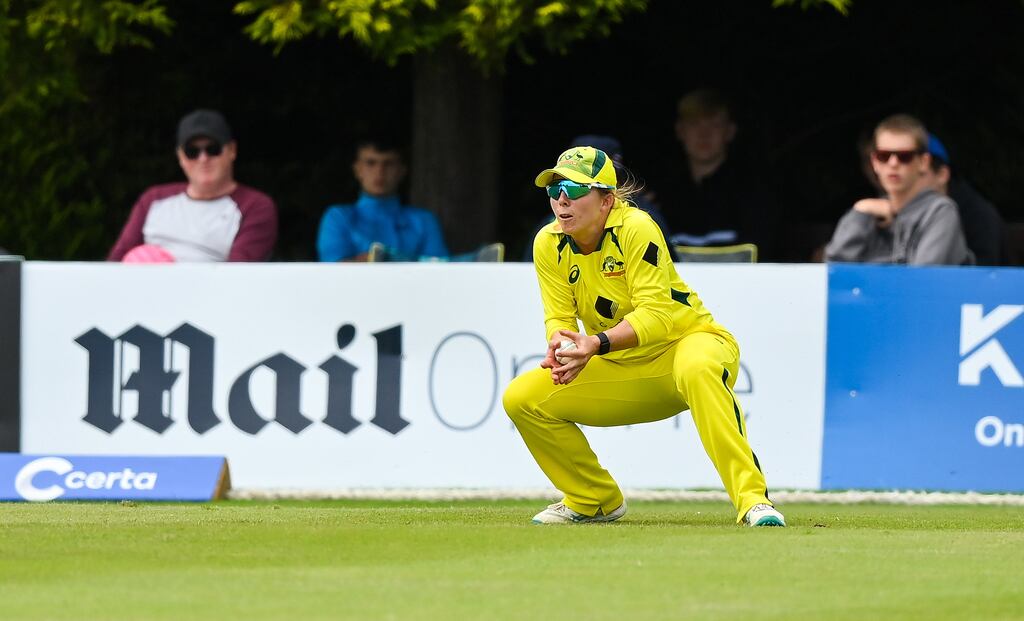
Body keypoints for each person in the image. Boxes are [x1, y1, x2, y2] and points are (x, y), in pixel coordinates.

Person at [502, 146, 784, 527]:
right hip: (622, 369)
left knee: (698, 366)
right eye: (554, 190)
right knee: (522, 398)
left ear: (606, 199)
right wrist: (563, 345)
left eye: (573, 188)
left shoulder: (636, 226)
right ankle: (594, 500)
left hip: (689, 343)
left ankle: (753, 502)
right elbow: (558, 316)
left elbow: (656, 316)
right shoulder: (547, 242)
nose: (561, 200)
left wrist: (596, 344)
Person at [108, 109, 278, 262]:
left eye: (213, 149)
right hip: (140, 290)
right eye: (192, 152)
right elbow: (115, 262)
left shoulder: (255, 206)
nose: (203, 158)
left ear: (232, 150)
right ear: (180, 157)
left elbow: (236, 276)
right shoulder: (153, 199)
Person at [825, 114, 973, 265]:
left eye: (904, 156)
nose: (893, 163)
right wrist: (859, 212)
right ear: (874, 162)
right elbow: (833, 270)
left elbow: (922, 278)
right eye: (884, 156)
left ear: (923, 162)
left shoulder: (940, 211)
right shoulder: (867, 212)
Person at [655, 88, 779, 260]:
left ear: (730, 131)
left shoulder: (755, 191)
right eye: (694, 124)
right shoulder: (661, 195)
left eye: (714, 124)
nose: (704, 134)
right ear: (680, 130)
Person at [522, 135, 677, 262]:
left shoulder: (642, 221)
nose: (562, 199)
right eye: (555, 187)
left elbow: (664, 281)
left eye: (577, 187)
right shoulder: (548, 233)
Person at [316, 139, 448, 262]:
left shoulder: (424, 220)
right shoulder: (338, 217)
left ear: (402, 170)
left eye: (388, 163)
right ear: (357, 169)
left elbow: (440, 269)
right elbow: (333, 271)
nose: (380, 171)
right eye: (371, 163)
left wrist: (368, 260)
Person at [924, 135, 1004, 265]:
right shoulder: (890, 210)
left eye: (920, 174)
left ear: (942, 175)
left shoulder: (979, 216)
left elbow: (984, 276)